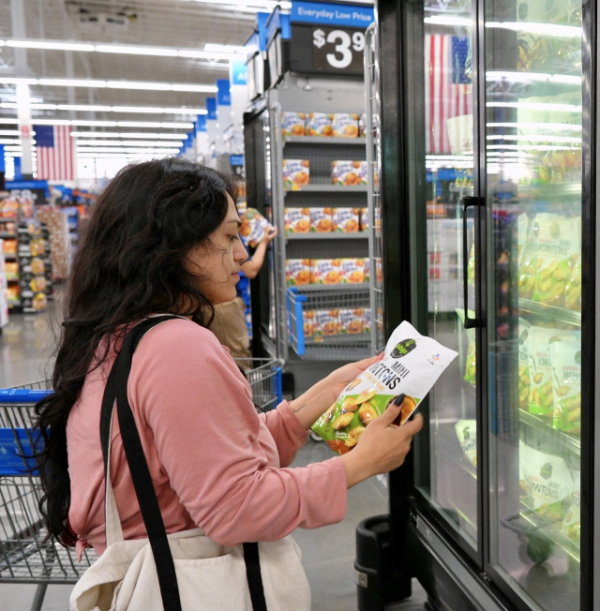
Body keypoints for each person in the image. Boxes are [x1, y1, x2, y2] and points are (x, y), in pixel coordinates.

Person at [35, 158, 422, 599]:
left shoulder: (117, 336)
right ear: (172, 245)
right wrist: (359, 464)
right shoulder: (176, 347)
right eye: (228, 235)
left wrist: (323, 396)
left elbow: (205, 458)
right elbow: (237, 507)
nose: (242, 251)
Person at [209, 225, 278, 363]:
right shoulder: (227, 230)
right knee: (237, 357)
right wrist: (264, 241)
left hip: (204, 302)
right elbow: (251, 270)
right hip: (225, 306)